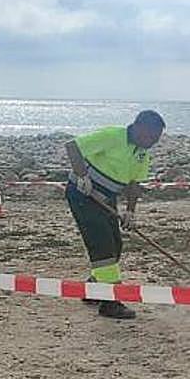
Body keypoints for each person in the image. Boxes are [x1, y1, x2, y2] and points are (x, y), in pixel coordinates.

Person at [64, 110, 165, 319]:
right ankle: (110, 302)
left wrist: (130, 211)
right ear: (139, 127)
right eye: (151, 137)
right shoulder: (113, 136)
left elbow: (133, 184)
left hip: (107, 199)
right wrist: (82, 177)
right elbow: (72, 146)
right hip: (84, 194)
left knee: (115, 244)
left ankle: (94, 290)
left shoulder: (141, 152)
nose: (153, 143)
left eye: (156, 139)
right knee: (102, 245)